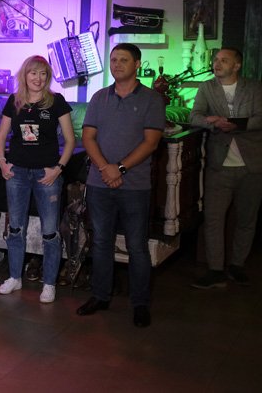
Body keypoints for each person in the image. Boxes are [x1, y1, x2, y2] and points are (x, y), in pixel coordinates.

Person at [76, 43, 165, 328]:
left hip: (134, 186)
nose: (117, 64)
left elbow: (151, 143)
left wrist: (120, 168)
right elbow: (88, 137)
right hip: (99, 183)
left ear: (137, 64)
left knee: (137, 245)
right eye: (113, 60)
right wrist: (106, 168)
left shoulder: (152, 99)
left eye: (123, 60)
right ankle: (100, 296)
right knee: (101, 242)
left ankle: (140, 303)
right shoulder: (99, 97)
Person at [0, 55, 75, 304]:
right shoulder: (14, 101)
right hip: (17, 173)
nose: (38, 78)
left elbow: (70, 140)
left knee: (50, 232)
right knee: (16, 228)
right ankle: (14, 277)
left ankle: (49, 284)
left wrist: (58, 169)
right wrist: (2, 161)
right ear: (25, 75)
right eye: (33, 73)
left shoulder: (56, 101)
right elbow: (1, 136)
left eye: (43, 73)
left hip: (46, 174)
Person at [190, 47, 262, 289]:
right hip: (218, 165)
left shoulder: (254, 87)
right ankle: (215, 270)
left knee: (247, 219)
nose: (217, 64)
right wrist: (211, 122)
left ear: (237, 65)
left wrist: (237, 125)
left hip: (252, 164)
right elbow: (194, 116)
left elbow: (261, 117)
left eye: (224, 60)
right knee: (213, 218)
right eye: (216, 60)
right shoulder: (206, 87)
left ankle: (237, 265)